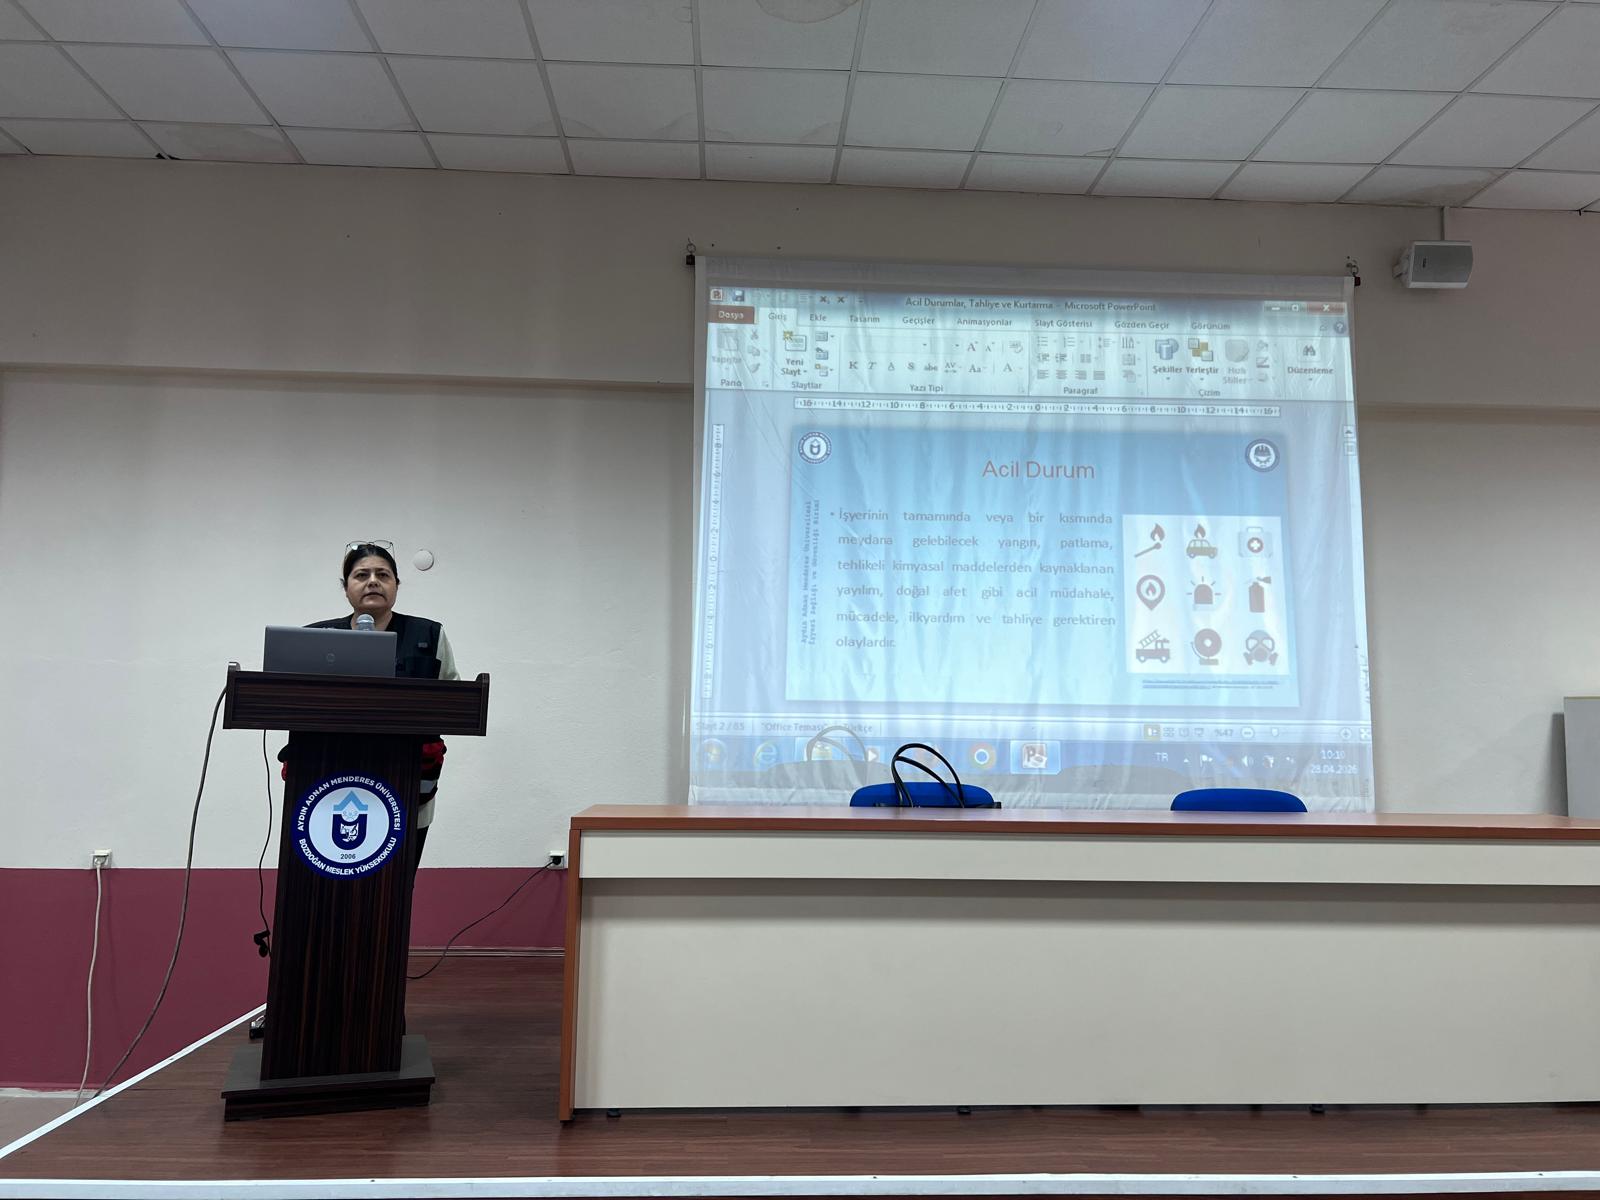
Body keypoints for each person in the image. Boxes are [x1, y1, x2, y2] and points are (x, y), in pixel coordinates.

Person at [308, 540, 460, 867]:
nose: (373, 582)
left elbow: (455, 702)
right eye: (361, 575)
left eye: (383, 574)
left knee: (396, 884)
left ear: (396, 585)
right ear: (345, 587)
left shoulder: (428, 636)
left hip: (407, 780)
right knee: (327, 882)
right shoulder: (316, 639)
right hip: (327, 783)